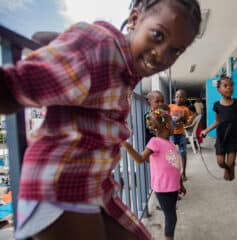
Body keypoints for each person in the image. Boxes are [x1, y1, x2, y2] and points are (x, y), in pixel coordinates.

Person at [0, 0, 201, 239]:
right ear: (135, 19)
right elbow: (16, 86)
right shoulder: (100, 46)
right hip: (60, 183)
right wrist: (73, 45)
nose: (161, 54)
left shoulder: (126, 65)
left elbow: (50, 43)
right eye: (158, 35)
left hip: (95, 183)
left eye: (175, 50)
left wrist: (57, 42)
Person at [122, 107, 186, 240]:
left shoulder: (170, 144)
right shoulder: (154, 142)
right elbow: (140, 159)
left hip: (173, 187)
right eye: (172, 122)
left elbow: (175, 166)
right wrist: (128, 147)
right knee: (171, 217)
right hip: (163, 188)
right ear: (166, 125)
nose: (174, 124)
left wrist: (180, 184)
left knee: (171, 214)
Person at [201, 76, 237, 181]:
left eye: (231, 85)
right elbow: (217, 121)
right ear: (219, 89)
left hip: (235, 135)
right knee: (220, 162)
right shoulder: (217, 105)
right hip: (222, 136)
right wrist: (206, 130)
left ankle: (230, 167)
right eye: (225, 86)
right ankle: (229, 169)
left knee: (230, 162)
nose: (229, 88)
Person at [169, 89, 190, 181]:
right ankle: (172, 173)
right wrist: (178, 118)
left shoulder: (185, 109)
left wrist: (184, 118)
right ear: (174, 98)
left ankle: (183, 173)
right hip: (171, 134)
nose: (178, 98)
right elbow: (168, 120)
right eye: (177, 96)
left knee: (183, 153)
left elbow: (186, 123)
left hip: (181, 133)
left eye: (181, 97)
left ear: (184, 98)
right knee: (171, 154)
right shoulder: (170, 107)